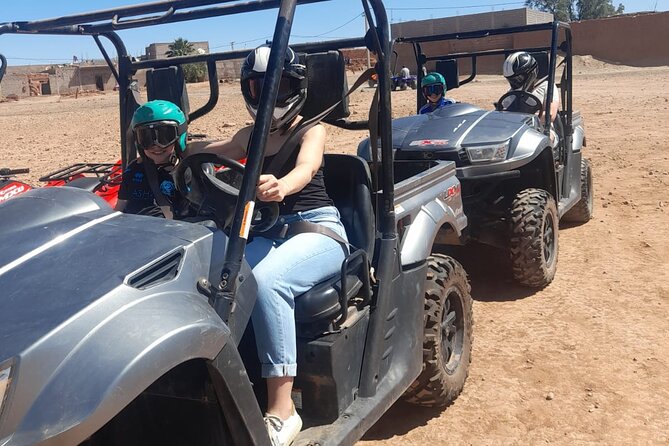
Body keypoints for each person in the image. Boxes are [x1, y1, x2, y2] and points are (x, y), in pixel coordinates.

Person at [189, 44, 348, 446]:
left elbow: (306, 168)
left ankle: (283, 410)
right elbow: (212, 153)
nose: (270, 98)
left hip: (317, 231)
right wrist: (174, 150)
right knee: (215, 272)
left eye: (279, 87)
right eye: (260, 88)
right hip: (265, 230)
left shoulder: (312, 128)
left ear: (297, 87)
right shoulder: (251, 135)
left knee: (267, 280)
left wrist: (282, 186)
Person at [115, 99, 191, 218]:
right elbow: (119, 209)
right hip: (134, 231)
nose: (155, 146)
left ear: (178, 137)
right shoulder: (134, 170)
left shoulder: (187, 172)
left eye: (164, 137)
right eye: (147, 138)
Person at [502, 51, 560, 144]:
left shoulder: (548, 87)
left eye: (518, 79)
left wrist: (523, 120)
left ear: (530, 73)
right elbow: (502, 111)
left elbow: (551, 115)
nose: (515, 83)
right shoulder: (512, 93)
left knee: (545, 140)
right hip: (516, 130)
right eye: (511, 80)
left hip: (543, 129)